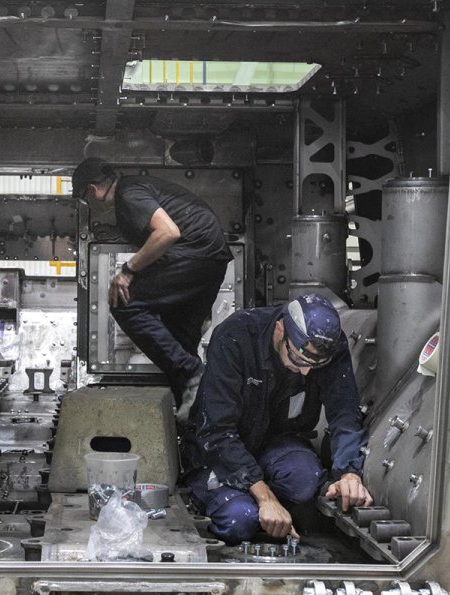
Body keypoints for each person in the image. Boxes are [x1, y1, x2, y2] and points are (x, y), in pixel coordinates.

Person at [181, 294, 372, 544]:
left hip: (278, 442)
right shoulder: (236, 335)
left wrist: (349, 473)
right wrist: (266, 498)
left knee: (305, 481)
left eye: (315, 365)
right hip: (221, 449)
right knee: (240, 519)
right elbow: (217, 430)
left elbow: (344, 412)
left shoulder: (329, 346)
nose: (305, 371)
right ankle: (236, 500)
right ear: (280, 329)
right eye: (297, 359)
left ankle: (272, 507)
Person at [70, 158, 232, 415]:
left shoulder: (128, 193)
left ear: (92, 191)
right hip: (210, 261)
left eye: (84, 199)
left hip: (194, 253)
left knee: (124, 303)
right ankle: (196, 422)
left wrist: (127, 271)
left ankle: (192, 371)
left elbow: (168, 232)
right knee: (179, 343)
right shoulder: (134, 193)